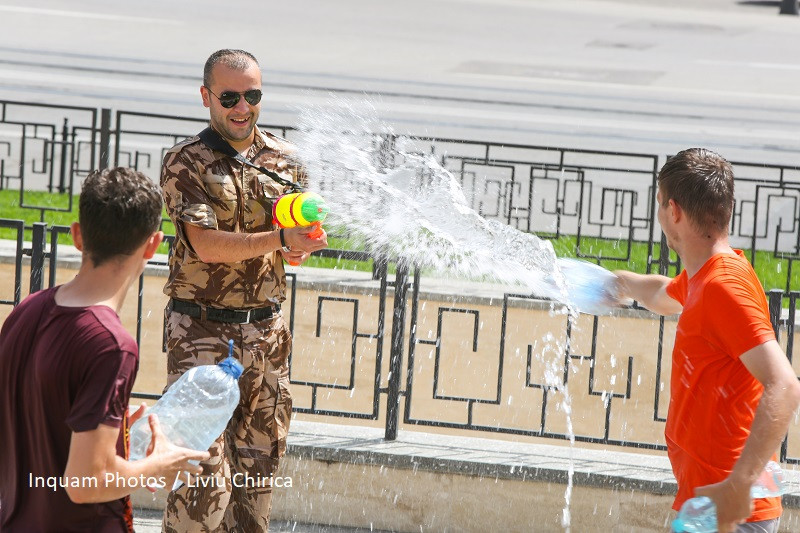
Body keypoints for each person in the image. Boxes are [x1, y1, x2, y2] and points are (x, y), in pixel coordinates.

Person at [160, 49, 328, 531]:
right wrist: (278, 239)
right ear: (206, 97)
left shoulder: (287, 161)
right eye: (229, 96)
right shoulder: (184, 161)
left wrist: (300, 247)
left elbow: (291, 248)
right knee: (202, 480)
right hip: (201, 333)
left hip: (267, 337)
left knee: (257, 482)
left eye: (251, 95)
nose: (241, 107)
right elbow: (205, 245)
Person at [0, 167, 209, 532]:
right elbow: (85, 483)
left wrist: (105, 433)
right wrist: (158, 465)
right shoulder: (112, 346)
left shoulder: (25, 311)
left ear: (78, 236)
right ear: (153, 244)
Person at [613, 148, 800, 533]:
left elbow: (784, 385)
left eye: (660, 205)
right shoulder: (704, 278)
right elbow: (664, 295)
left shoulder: (723, 288)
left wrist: (740, 484)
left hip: (732, 510)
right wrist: (619, 283)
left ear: (674, 211)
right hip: (706, 506)